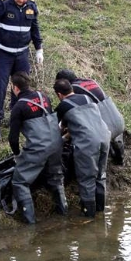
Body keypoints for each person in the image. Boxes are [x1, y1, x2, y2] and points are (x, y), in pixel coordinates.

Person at [9, 71, 67, 224]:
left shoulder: (18, 107)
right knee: (55, 177)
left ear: (15, 88)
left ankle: (30, 224)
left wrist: (17, 155)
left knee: (20, 181)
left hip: (38, 148)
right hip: (57, 143)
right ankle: (64, 214)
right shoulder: (44, 97)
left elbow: (12, 138)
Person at [0, 0, 44, 126]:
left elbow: (34, 28)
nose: (22, 0)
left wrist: (39, 48)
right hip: (2, 54)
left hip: (22, 55)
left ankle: (17, 116)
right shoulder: (1, 5)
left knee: (22, 86)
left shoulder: (31, 6)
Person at [53, 79, 111, 217]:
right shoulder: (87, 97)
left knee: (87, 179)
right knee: (100, 175)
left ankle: (89, 218)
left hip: (88, 142)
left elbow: (56, 129)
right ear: (72, 89)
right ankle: (100, 213)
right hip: (105, 136)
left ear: (59, 95)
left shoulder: (63, 106)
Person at [56, 69, 125, 165]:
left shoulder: (73, 90)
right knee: (115, 135)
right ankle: (120, 160)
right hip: (119, 121)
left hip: (105, 129)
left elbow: (76, 116)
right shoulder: (90, 81)